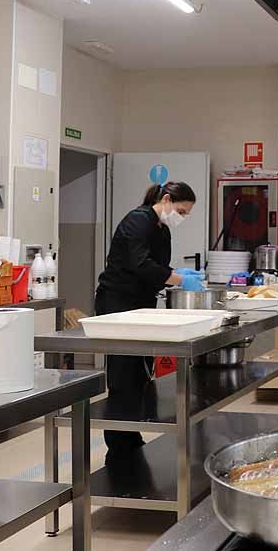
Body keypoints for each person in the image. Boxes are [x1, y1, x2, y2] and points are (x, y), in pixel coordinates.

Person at [95, 181, 202, 458]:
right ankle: (118, 444)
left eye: (186, 214)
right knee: (122, 375)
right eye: (181, 210)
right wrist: (179, 279)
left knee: (139, 374)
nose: (182, 217)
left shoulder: (160, 228)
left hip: (140, 305)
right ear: (165, 199)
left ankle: (131, 435)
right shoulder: (138, 220)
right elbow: (140, 264)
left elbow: (158, 267)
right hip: (117, 304)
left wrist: (175, 273)